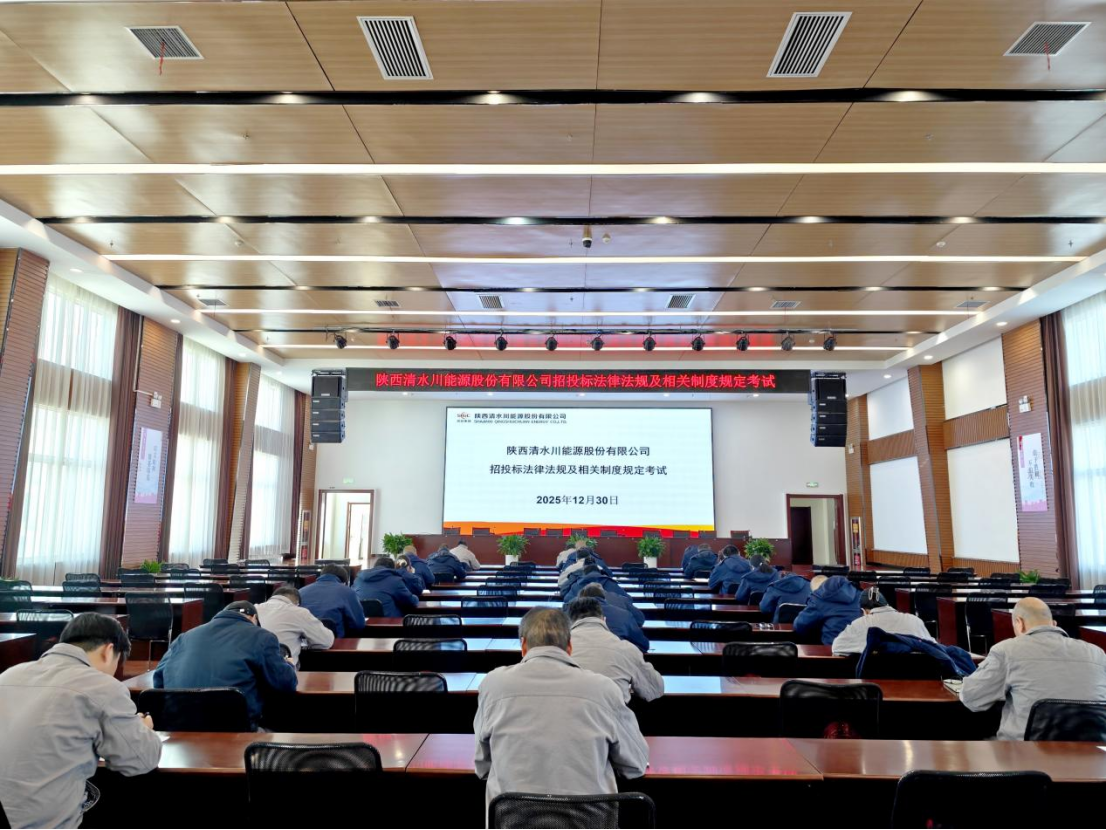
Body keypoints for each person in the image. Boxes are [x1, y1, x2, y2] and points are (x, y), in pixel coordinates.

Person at [473, 608, 649, 811]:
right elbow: (635, 765)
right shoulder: (604, 688)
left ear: (523, 645)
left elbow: (482, 766)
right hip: (588, 822)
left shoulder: (493, 685)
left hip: (511, 820)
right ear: (569, 647)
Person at [0, 613, 162, 830]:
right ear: (108, 651)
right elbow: (141, 761)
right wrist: (144, 730)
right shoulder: (101, 686)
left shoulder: (8, 676)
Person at [959, 597, 1106, 740]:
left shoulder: (1007, 650)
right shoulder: (1097, 653)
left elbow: (972, 698)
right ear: (1053, 624)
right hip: (1093, 751)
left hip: (1027, 752)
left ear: (1019, 623)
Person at [153, 601, 297, 730]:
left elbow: (158, 681)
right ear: (253, 618)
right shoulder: (262, 636)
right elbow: (285, 683)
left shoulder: (184, 637)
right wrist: (289, 665)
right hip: (237, 732)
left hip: (179, 729)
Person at [565, 597, 664, 703]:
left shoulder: (556, 648)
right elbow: (655, 689)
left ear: (569, 623)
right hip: (611, 713)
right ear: (604, 620)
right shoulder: (626, 649)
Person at [831, 586, 935, 655]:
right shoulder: (914, 620)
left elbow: (837, 647)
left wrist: (861, 647)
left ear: (863, 611)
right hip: (914, 678)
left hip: (873, 679)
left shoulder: (860, 623)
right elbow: (933, 646)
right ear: (886, 604)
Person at [256, 584, 335, 666]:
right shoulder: (298, 612)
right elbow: (326, 641)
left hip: (253, 669)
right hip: (283, 669)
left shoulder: (254, 609)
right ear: (297, 602)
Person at [575, 583, 650, 652]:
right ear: (604, 598)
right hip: (618, 656)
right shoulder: (624, 614)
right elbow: (643, 645)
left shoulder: (571, 614)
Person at [792, 574, 862, 645]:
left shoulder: (820, 598)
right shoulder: (860, 594)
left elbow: (800, 625)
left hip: (832, 647)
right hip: (860, 646)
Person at [299, 563, 366, 636]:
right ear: (343, 581)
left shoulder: (300, 591)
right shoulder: (348, 592)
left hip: (302, 639)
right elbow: (359, 624)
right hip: (334, 640)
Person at [354, 556, 421, 617]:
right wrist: (416, 597)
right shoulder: (395, 580)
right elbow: (411, 601)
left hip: (362, 622)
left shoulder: (358, 580)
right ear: (392, 569)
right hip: (389, 623)